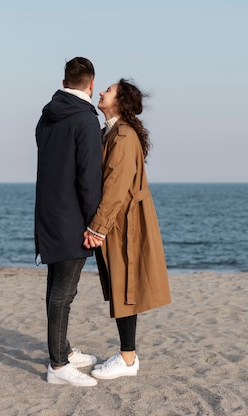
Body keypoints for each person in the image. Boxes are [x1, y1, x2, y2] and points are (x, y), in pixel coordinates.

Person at [83, 79, 172, 380]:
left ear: (119, 102)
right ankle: (127, 354)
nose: (102, 93)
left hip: (125, 221)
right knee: (123, 286)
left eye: (108, 90)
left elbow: (116, 188)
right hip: (120, 219)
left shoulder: (122, 136)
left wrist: (97, 228)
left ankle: (128, 359)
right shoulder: (110, 132)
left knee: (125, 287)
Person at [34, 57, 103, 387]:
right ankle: (58, 366)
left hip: (47, 212)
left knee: (55, 287)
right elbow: (88, 178)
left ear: (64, 83)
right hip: (73, 217)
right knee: (64, 292)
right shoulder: (86, 120)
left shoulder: (47, 116)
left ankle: (62, 350)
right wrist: (95, 225)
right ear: (91, 84)